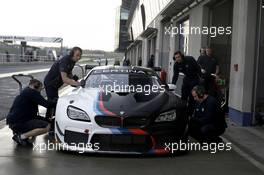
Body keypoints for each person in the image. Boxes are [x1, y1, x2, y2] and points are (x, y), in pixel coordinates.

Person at [6, 79, 56, 146]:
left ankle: (19, 133)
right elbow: (47, 105)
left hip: (17, 120)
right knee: (47, 126)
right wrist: (56, 101)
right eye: (40, 89)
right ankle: (21, 137)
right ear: (35, 87)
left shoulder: (26, 91)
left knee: (47, 121)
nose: (40, 91)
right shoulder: (32, 93)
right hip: (19, 122)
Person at [44, 47, 83, 119]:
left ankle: (52, 119)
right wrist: (78, 84)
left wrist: (74, 80)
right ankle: (48, 121)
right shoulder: (65, 60)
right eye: (77, 55)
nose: (79, 57)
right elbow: (65, 79)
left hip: (56, 84)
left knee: (55, 101)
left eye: (80, 56)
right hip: (50, 83)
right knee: (53, 102)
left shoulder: (73, 61)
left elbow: (69, 72)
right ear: (72, 54)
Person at [172, 51, 201, 115]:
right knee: (183, 97)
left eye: (178, 57)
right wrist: (172, 85)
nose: (177, 59)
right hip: (187, 79)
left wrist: (201, 79)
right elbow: (175, 75)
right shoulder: (176, 64)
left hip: (194, 79)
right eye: (176, 58)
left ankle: (190, 113)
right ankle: (183, 112)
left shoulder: (189, 59)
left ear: (181, 56)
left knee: (192, 98)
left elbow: (198, 69)